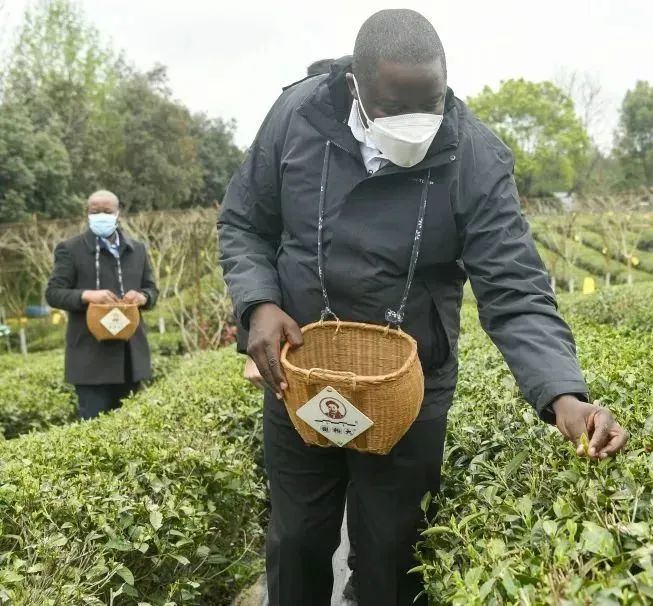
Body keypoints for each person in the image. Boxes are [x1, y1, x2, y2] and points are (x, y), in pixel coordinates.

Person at [217, 9, 628, 606]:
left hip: (409, 391)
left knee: (392, 555)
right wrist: (258, 304)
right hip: (303, 378)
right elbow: (244, 222)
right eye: (393, 107)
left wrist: (563, 394)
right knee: (297, 541)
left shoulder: (475, 157)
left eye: (430, 103)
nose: (415, 122)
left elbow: (515, 290)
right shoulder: (297, 115)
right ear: (355, 86)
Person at [45, 190, 159, 419]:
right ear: (87, 213)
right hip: (90, 360)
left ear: (118, 213)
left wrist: (143, 297)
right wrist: (87, 295)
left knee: (131, 428)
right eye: (95, 211)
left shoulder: (137, 249)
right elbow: (53, 293)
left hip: (130, 357)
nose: (101, 216)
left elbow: (151, 290)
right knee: (94, 429)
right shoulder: (70, 249)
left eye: (107, 211)